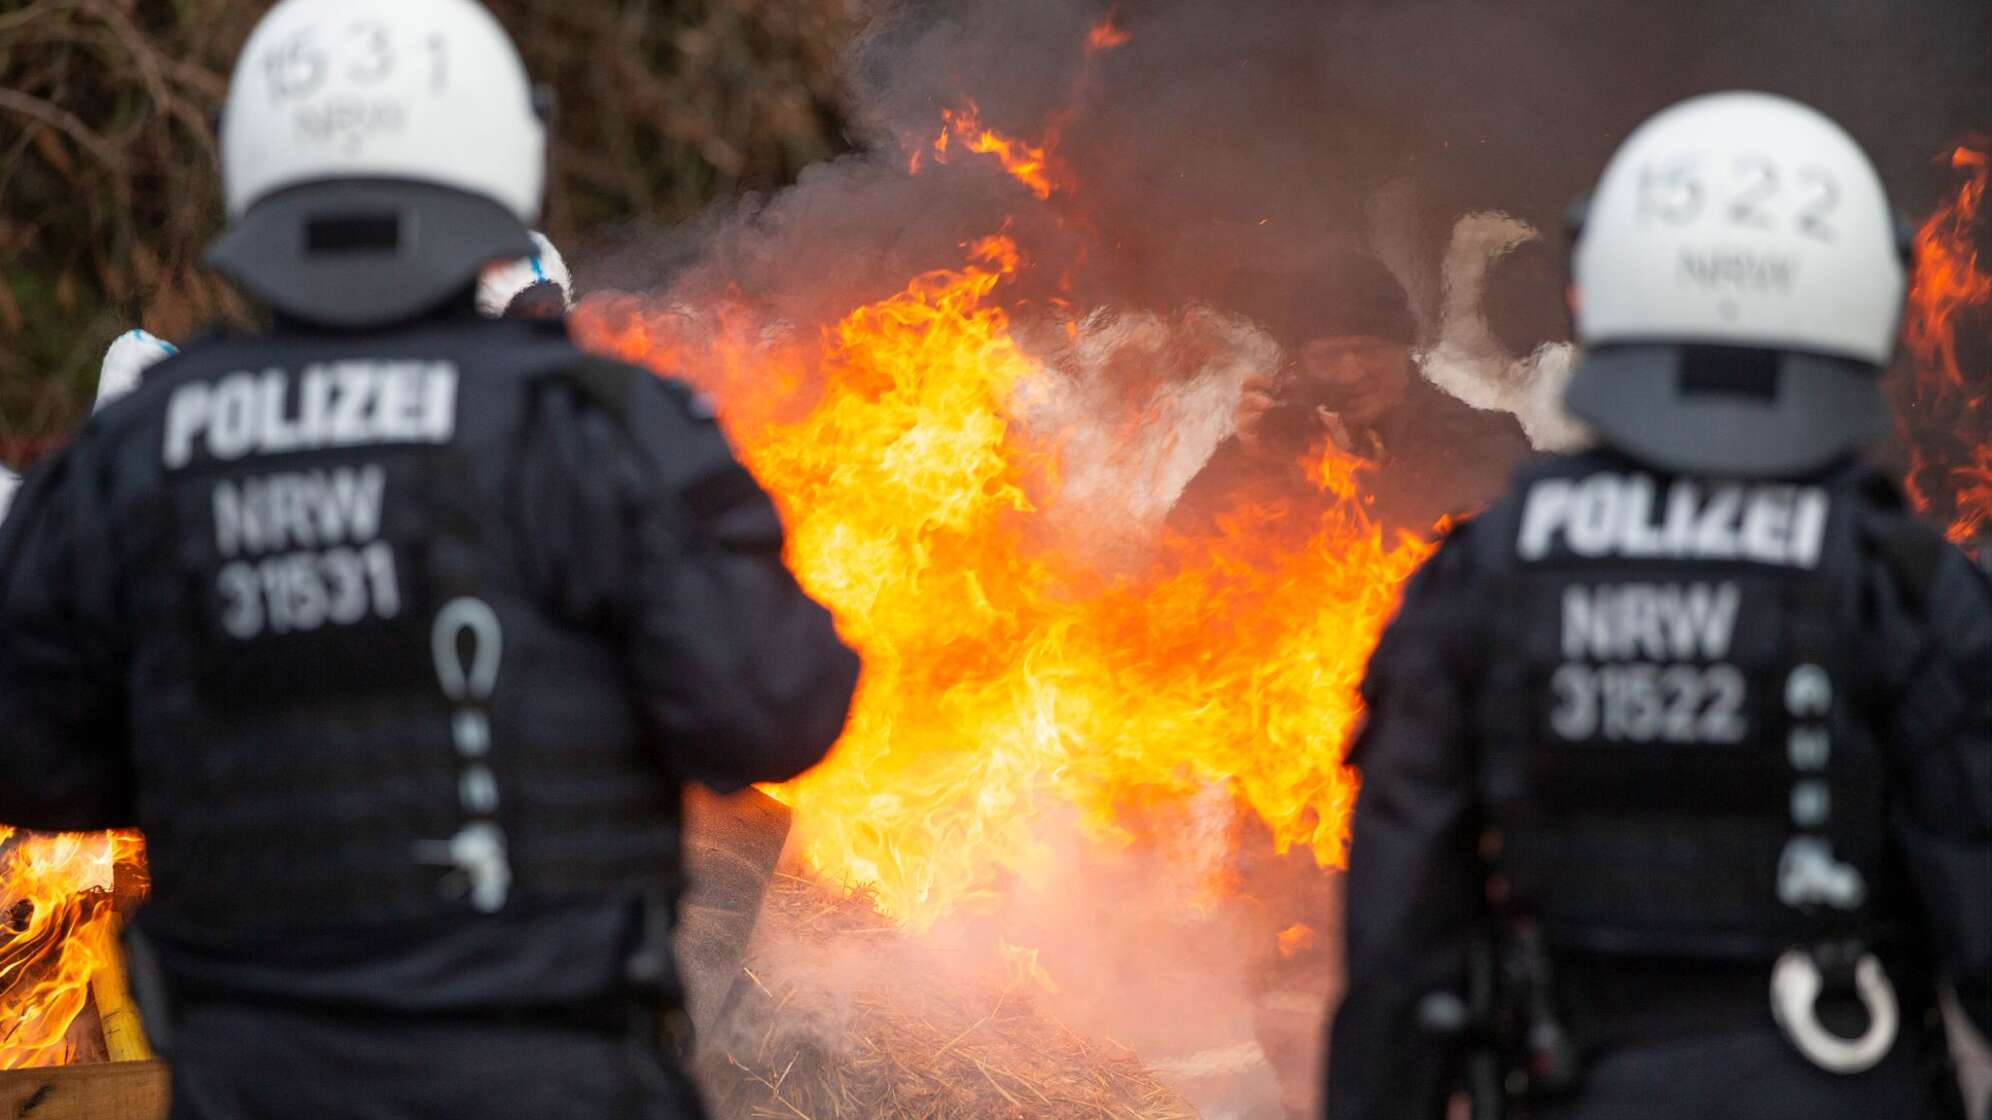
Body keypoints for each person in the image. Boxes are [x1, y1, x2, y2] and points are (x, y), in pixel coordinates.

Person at [0, 2, 860, 1118]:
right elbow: (782, 709)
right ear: (497, 169)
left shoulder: (148, 448)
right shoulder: (603, 431)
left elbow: (33, 757)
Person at [1326, 91, 1992, 1120]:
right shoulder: (1905, 587)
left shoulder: (1483, 579)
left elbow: (1402, 969)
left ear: (1599, 288)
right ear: (1869, 297)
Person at [1171, 250, 1530, 541]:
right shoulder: (1269, 444)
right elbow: (1176, 555)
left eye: (1368, 351)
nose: (1351, 374)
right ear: (1300, 364)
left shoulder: (1473, 441)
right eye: (1328, 356)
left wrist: (1350, 475)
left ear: (1403, 350)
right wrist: (1253, 466)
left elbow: (1462, 554)